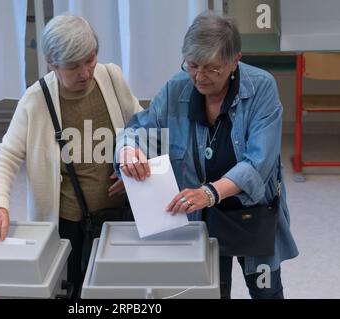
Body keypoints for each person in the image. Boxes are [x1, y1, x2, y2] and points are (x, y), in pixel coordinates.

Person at [115, 11, 298, 299]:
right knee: (210, 292)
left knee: (266, 292)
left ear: (235, 59)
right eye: (193, 65)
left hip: (252, 212)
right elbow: (141, 127)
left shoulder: (261, 87)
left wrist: (211, 193)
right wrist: (128, 149)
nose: (199, 77)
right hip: (199, 218)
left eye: (212, 69)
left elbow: (259, 163)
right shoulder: (178, 87)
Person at [0, 15, 142, 298]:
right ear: (52, 64)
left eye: (90, 59)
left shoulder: (111, 77)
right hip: (69, 222)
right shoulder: (35, 101)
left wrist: (129, 167)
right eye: (73, 66)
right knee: (72, 290)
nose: (85, 72)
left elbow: (141, 126)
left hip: (120, 213)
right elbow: (6, 155)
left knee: (121, 291)